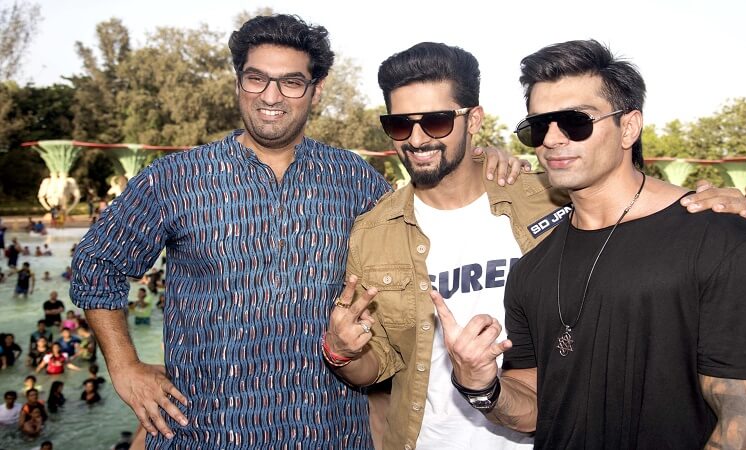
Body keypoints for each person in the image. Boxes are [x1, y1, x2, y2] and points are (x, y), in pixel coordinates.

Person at [69, 14, 526, 449]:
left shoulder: (354, 179)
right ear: (238, 82)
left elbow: (428, 203)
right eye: (256, 78)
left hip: (331, 433)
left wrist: (482, 158)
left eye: (291, 82)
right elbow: (96, 264)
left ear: (316, 89)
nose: (271, 96)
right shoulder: (176, 178)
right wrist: (124, 367)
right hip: (207, 432)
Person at [324, 42, 746, 450]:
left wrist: (710, 204)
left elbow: (626, 193)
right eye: (400, 124)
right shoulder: (373, 231)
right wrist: (342, 352)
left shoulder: (548, 197)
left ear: (473, 120)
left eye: (436, 121)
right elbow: (378, 365)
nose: (417, 139)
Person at [439, 39, 746, 449]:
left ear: (628, 127)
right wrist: (482, 386)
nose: (552, 139)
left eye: (575, 121)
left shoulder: (726, 242)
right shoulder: (532, 269)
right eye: (538, 126)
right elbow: (538, 406)